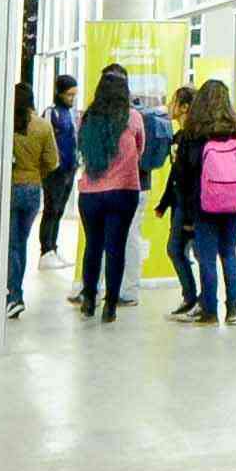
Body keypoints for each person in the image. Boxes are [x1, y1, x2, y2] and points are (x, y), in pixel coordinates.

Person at [160, 77, 236, 324]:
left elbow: (183, 175)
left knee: (207, 257)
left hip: (204, 205)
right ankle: (233, 310)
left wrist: (187, 212)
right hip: (235, 204)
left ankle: (210, 311)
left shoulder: (194, 132)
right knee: (229, 254)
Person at [69, 65, 158, 322]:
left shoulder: (87, 118)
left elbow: (81, 148)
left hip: (91, 193)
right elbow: (140, 151)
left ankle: (89, 300)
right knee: (116, 247)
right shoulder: (133, 118)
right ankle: (110, 306)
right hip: (123, 191)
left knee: (93, 246)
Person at [5, 83, 62, 319]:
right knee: (20, 243)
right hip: (32, 189)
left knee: (10, 245)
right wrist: (37, 173)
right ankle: (14, 294)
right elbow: (53, 162)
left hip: (8, 188)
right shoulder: (42, 125)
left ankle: (13, 295)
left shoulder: (6, 123)